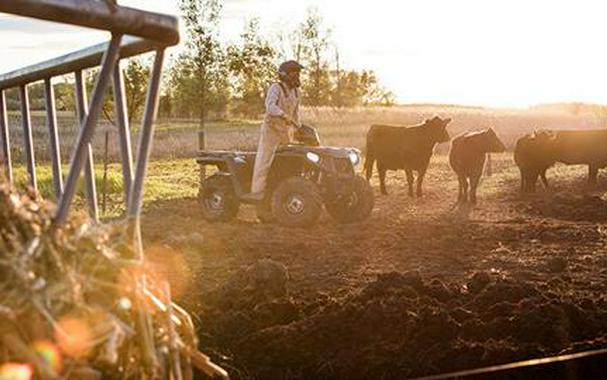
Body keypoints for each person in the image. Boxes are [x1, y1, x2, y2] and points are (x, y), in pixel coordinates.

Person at [248, 60, 304, 200]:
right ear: (284, 74)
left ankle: (280, 191)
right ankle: (257, 192)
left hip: (285, 130)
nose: (296, 75)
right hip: (271, 128)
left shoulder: (297, 92)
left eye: (297, 73)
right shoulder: (276, 88)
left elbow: (295, 113)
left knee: (286, 160)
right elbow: (270, 106)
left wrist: (298, 126)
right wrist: (284, 115)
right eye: (293, 72)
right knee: (265, 159)